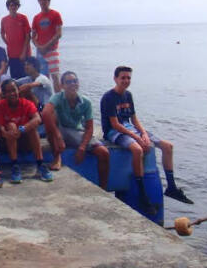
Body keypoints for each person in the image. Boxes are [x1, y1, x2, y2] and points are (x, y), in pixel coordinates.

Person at [101, 66, 193, 211]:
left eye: (128, 78)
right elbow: (115, 124)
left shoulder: (128, 95)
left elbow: (134, 119)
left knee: (167, 146)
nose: (126, 80)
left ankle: (171, 187)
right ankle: (143, 195)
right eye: (123, 78)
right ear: (115, 79)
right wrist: (136, 138)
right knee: (138, 150)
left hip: (129, 127)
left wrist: (143, 133)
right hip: (114, 132)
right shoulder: (109, 97)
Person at [42, 71, 109, 189]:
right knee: (51, 117)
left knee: (104, 152)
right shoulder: (57, 97)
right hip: (61, 129)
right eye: (68, 82)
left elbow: (89, 127)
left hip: (76, 131)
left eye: (75, 81)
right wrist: (57, 136)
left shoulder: (85, 102)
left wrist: (82, 147)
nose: (72, 84)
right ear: (62, 86)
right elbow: (46, 113)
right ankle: (57, 157)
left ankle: (103, 187)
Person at [0, 79, 53, 183]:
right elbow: (0, 127)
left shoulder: (27, 104)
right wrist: (8, 133)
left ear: (18, 90)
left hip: (24, 141)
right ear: (4, 94)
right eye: (8, 91)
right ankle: (15, 165)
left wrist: (22, 129)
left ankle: (40, 163)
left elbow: (38, 119)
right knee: (11, 126)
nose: (12, 93)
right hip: (6, 143)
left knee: (32, 129)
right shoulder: (0, 105)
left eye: (14, 90)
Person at [31, 0, 62, 92]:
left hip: (52, 50)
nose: (43, 2)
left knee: (55, 77)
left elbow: (58, 34)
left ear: (49, 1)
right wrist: (39, 47)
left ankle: (59, 103)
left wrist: (46, 46)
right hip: (40, 52)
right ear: (38, 2)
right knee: (43, 79)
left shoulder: (55, 14)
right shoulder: (36, 18)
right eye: (41, 0)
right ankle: (45, 103)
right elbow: (33, 36)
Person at [0, 0, 31, 79]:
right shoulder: (4, 20)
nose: (13, 7)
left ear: (18, 6)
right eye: (11, 5)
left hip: (25, 54)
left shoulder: (23, 18)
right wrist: (8, 43)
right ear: (8, 7)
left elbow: (28, 36)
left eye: (15, 5)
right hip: (12, 55)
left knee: (26, 78)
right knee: (14, 78)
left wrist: (24, 52)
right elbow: (2, 34)